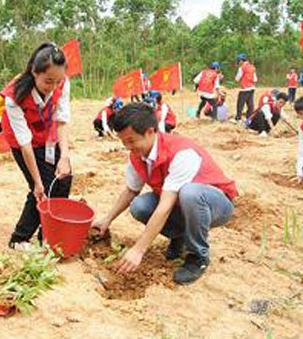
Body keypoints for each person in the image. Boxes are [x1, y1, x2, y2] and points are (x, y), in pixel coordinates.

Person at [92, 104, 236, 284]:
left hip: (216, 204)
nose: (128, 147)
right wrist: (107, 219)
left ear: (150, 131)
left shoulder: (181, 153)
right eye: (124, 142)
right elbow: (131, 190)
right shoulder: (138, 155)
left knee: (190, 193)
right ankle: (179, 237)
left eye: (131, 140)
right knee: (140, 206)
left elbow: (165, 206)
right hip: (180, 203)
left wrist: (138, 250)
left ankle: (198, 256)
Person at [1, 42, 73, 249]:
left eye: (58, 81)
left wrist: (65, 157)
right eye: (48, 81)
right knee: (42, 188)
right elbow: (25, 144)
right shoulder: (14, 96)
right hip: (23, 142)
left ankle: (48, 233)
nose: (53, 86)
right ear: (34, 71)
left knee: (64, 179)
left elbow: (61, 120)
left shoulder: (62, 82)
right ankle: (19, 238)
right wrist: (37, 182)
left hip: (48, 136)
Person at [234, 53, 257, 122]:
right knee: (250, 104)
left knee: (240, 104)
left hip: (244, 88)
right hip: (252, 88)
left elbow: (237, 79)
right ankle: (249, 118)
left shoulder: (242, 68)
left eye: (238, 61)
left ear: (241, 61)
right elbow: (255, 79)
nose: (238, 62)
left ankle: (238, 118)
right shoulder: (252, 67)